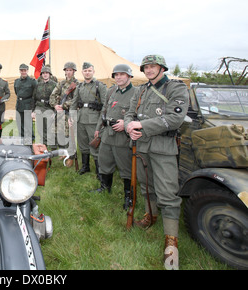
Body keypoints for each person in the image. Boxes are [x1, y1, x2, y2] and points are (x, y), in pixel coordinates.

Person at [124, 54, 189, 269]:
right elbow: (129, 113)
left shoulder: (175, 88)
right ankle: (149, 216)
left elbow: (174, 118)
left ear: (162, 68)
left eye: (153, 66)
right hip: (141, 146)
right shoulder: (141, 90)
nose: (149, 70)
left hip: (163, 148)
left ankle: (171, 243)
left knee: (168, 194)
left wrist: (140, 126)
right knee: (146, 186)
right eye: (146, 67)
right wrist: (128, 127)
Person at [90, 64, 137, 210]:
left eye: (122, 74)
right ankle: (105, 187)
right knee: (104, 161)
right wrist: (98, 129)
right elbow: (104, 111)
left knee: (125, 167)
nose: (119, 77)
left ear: (129, 76)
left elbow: (139, 114)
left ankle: (128, 197)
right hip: (107, 133)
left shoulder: (136, 93)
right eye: (116, 75)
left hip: (123, 136)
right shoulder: (111, 91)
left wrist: (126, 123)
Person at [69, 62, 107, 176]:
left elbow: (105, 104)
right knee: (83, 144)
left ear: (93, 72)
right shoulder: (79, 86)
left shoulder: (99, 85)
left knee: (94, 144)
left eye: (89, 70)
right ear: (82, 72)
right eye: (85, 71)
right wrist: (71, 117)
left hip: (94, 120)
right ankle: (85, 167)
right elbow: (74, 103)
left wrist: (102, 122)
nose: (87, 72)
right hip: (81, 119)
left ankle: (99, 170)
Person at [49, 62, 79, 165]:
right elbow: (52, 95)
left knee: (70, 135)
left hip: (71, 113)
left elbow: (77, 100)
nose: (68, 72)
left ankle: (71, 156)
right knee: (60, 133)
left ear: (74, 71)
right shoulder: (61, 83)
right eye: (67, 70)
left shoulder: (77, 84)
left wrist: (63, 105)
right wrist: (55, 106)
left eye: (70, 70)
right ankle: (63, 153)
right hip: (60, 113)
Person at [32, 66, 57, 147]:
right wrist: (33, 111)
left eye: (47, 73)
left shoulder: (54, 85)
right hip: (39, 107)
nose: (45, 74)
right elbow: (34, 98)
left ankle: (52, 147)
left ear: (50, 74)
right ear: (41, 75)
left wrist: (55, 111)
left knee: (49, 128)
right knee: (40, 128)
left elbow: (57, 98)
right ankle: (43, 144)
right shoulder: (38, 84)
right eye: (43, 73)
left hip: (49, 108)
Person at [14, 63, 37, 143]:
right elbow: (17, 92)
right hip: (19, 105)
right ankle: (22, 139)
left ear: (27, 71)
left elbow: (35, 95)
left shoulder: (32, 82)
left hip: (28, 105)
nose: (23, 72)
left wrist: (33, 108)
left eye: (25, 70)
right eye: (21, 70)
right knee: (20, 123)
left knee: (28, 124)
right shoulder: (16, 81)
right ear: (19, 71)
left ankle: (31, 139)